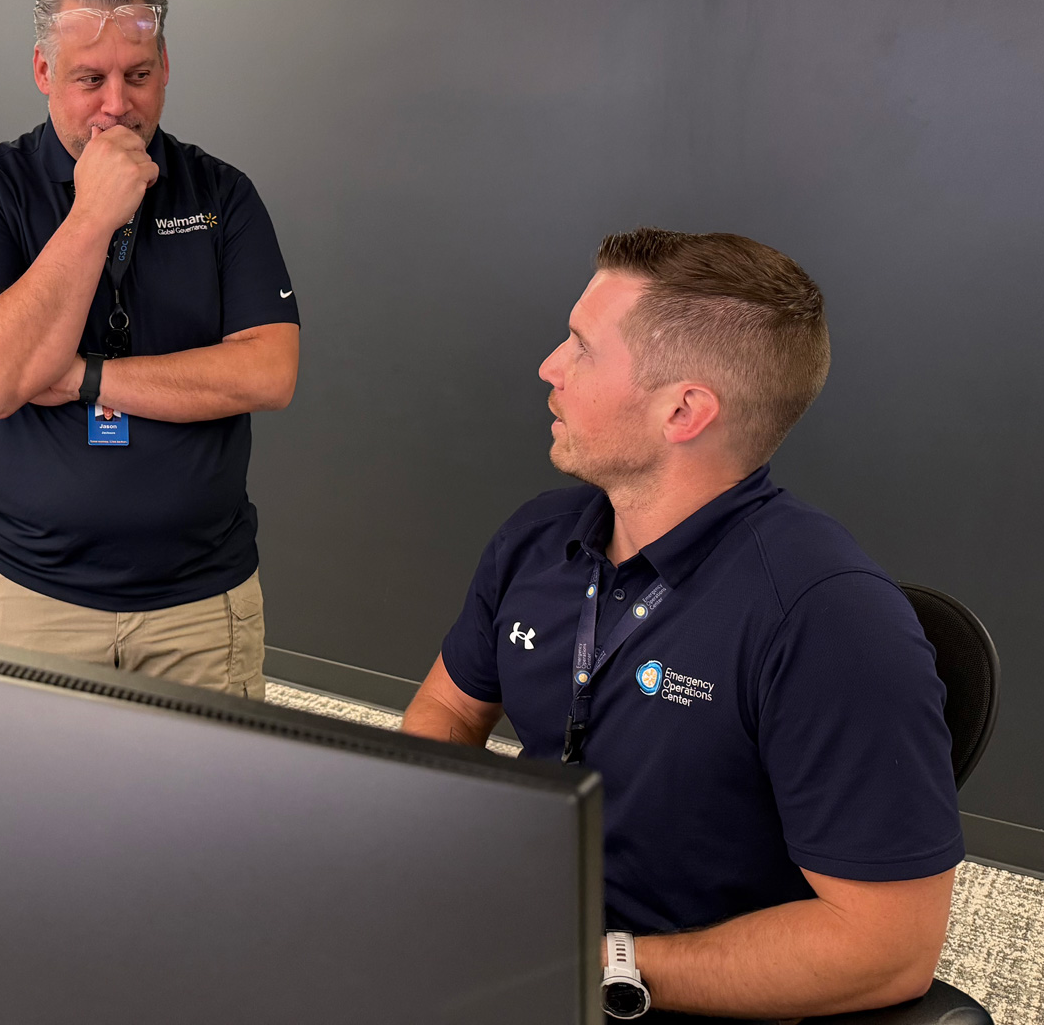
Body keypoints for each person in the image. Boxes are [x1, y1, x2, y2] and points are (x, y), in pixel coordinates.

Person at [402, 229, 963, 1021]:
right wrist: (431, 855)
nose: (549, 368)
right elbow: (451, 709)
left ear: (683, 410)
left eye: (580, 347)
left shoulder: (833, 624)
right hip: (521, 930)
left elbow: (888, 950)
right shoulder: (541, 536)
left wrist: (596, 965)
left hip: (673, 985)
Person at [0, 0, 299, 699]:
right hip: (20, 593)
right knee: (9, 810)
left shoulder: (223, 193)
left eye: (137, 75)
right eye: (89, 78)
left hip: (199, 603)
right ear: (43, 71)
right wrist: (93, 212)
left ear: (165, 65)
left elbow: (268, 372)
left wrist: (83, 377)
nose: (116, 105)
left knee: (203, 815)